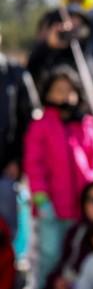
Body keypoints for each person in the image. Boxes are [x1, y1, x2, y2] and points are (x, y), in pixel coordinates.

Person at [24, 66, 93, 289]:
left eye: (69, 91)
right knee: (50, 253)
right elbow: (34, 165)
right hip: (52, 207)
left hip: (81, 205)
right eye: (58, 90)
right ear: (48, 94)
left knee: (77, 256)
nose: (64, 96)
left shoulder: (87, 124)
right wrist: (41, 200)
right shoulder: (41, 125)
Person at [0, 25, 36, 234]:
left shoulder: (15, 74)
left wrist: (18, 160)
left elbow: (30, 121)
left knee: (8, 231)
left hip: (7, 169)